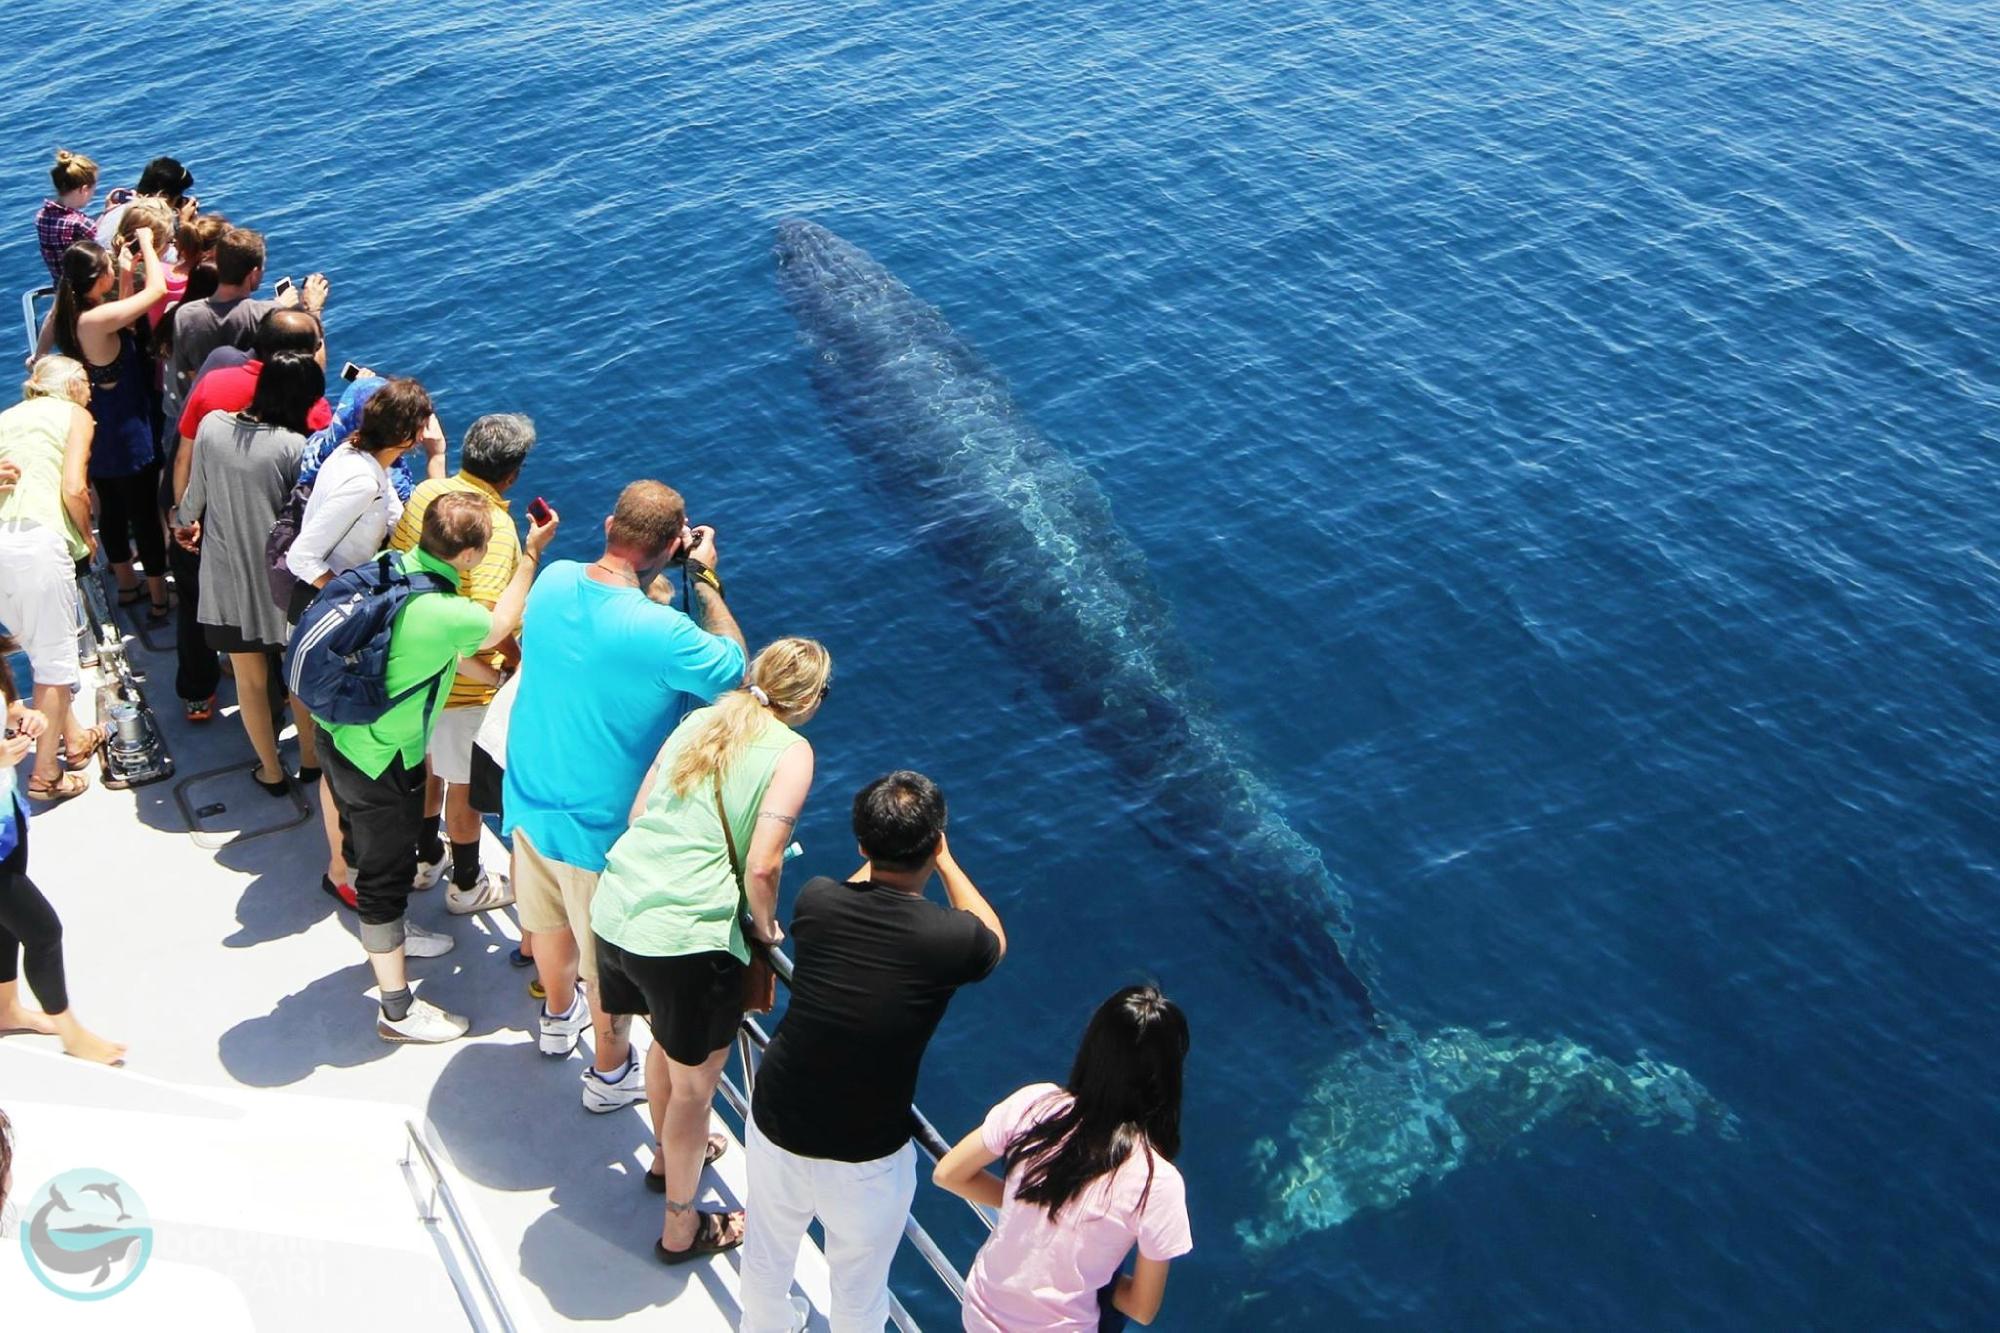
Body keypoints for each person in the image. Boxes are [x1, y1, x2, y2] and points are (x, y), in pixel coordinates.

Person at [502, 480, 746, 1112]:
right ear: (672, 545)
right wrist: (708, 580)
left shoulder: (553, 579)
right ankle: (609, 1076)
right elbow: (733, 669)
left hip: (530, 798)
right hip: (599, 829)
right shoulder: (662, 631)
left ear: (610, 524)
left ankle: (558, 1022)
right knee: (601, 965)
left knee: (547, 926)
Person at [589, 637, 829, 1264]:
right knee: (697, 1093)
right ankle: (680, 1228)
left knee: (667, 1048)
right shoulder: (792, 752)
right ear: (806, 699)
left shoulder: (701, 719)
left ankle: (667, 1158)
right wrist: (769, 930)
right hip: (686, 940)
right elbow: (763, 867)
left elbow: (641, 812)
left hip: (619, 911)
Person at [740, 772, 1006, 1333]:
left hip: (777, 1116)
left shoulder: (817, 902)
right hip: (865, 1153)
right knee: (858, 1292)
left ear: (861, 847)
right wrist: (946, 860)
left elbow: (858, 889)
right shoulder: (948, 940)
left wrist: (891, 848)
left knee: (767, 1254)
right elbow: (993, 937)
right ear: (935, 844)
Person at [315, 493, 558, 1043]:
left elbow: (446, 654)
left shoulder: (391, 569)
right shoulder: (449, 612)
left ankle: (396, 928)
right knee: (379, 881)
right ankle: (396, 1011)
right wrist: (531, 556)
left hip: (338, 735)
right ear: (469, 556)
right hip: (380, 758)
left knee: (376, 857)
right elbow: (496, 629)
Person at [935, 986, 1194, 1333]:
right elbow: (1142, 1308)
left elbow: (949, 1174)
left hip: (980, 1311)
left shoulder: (1036, 1103)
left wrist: (1028, 1203)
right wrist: (1097, 1267)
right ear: (1167, 1077)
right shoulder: (1156, 1182)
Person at [286, 377, 441, 905]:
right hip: (341, 626)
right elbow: (302, 559)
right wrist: (355, 602)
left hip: (346, 618)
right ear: (407, 435)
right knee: (348, 757)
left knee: (341, 756)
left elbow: (399, 526)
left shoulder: (358, 459)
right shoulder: (360, 481)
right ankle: (352, 873)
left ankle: (347, 862)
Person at [385, 414, 535, 914]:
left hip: (411, 674)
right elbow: (490, 622)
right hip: (461, 692)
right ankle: (466, 885)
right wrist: (511, 667)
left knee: (429, 772)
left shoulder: (428, 497)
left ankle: (428, 859)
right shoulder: (497, 531)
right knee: (465, 794)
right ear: (511, 475)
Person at [167, 307, 332, 721]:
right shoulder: (312, 412)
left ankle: (197, 696)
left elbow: (184, 458)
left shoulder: (215, 385)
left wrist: (187, 520)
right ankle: (290, 717)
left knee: (196, 609)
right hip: (282, 551)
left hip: (217, 534)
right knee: (283, 641)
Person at [175, 352, 323, 794]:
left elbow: (192, 502)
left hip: (227, 579)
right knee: (294, 675)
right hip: (283, 583)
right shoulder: (293, 446)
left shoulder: (213, 427)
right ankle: (312, 762)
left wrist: (183, 522)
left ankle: (271, 772)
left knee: (249, 681)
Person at [0, 635, 126, 1064]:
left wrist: (23, 717)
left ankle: (6, 1009)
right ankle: (72, 1034)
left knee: (4, 927)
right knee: (43, 931)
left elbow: (9, 707)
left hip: (7, 816)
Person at [50, 232, 170, 620]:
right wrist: (149, 244)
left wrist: (122, 270)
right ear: (96, 278)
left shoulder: (72, 317)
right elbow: (157, 290)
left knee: (113, 513)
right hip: (129, 438)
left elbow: (126, 319)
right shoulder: (96, 319)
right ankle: (158, 598)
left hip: (97, 436)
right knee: (144, 516)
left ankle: (126, 585)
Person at [0, 358, 99, 803]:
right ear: (74, 386)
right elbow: (74, 488)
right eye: (89, 385)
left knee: (41, 647)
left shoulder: (7, 417)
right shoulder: (75, 414)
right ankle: (45, 777)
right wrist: (86, 537)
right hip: (35, 547)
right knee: (56, 666)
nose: (92, 394)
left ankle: (74, 740)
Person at [163, 226, 325, 425]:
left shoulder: (184, 314)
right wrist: (312, 310)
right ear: (254, 274)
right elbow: (311, 373)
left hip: (194, 417)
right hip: (245, 420)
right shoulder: (267, 314)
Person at [94, 156, 196, 251]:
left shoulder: (118, 209)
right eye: (178, 198)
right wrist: (184, 225)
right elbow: (174, 259)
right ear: (163, 196)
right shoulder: (150, 220)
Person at [35, 150, 99, 283]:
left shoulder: (42, 216)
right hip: (85, 294)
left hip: (60, 289)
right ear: (84, 189)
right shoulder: (79, 223)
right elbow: (102, 243)